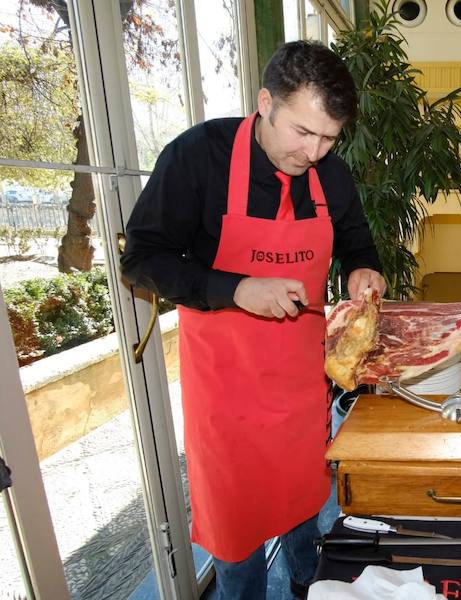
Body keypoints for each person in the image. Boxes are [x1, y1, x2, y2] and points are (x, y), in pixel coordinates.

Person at [121, 41, 385, 599]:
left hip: (299, 392)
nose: (314, 152)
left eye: (329, 137)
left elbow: (359, 242)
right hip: (227, 396)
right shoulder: (198, 157)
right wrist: (235, 289)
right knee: (236, 542)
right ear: (265, 102)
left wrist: (364, 271)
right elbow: (142, 259)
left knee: (303, 517)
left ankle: (308, 587)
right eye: (302, 131)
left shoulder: (330, 176)